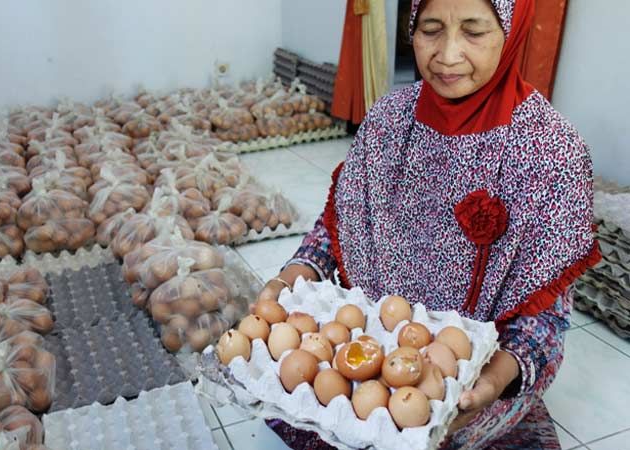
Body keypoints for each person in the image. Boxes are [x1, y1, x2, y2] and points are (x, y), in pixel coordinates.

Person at [256, 0, 601, 448]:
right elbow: (336, 228)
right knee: (318, 400)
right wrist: (292, 276)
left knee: (436, 432)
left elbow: (543, 322)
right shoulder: (388, 122)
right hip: (372, 342)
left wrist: (489, 384)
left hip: (472, 370)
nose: (447, 54)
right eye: (431, 29)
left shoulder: (551, 150)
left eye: (474, 31)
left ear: (511, 31)